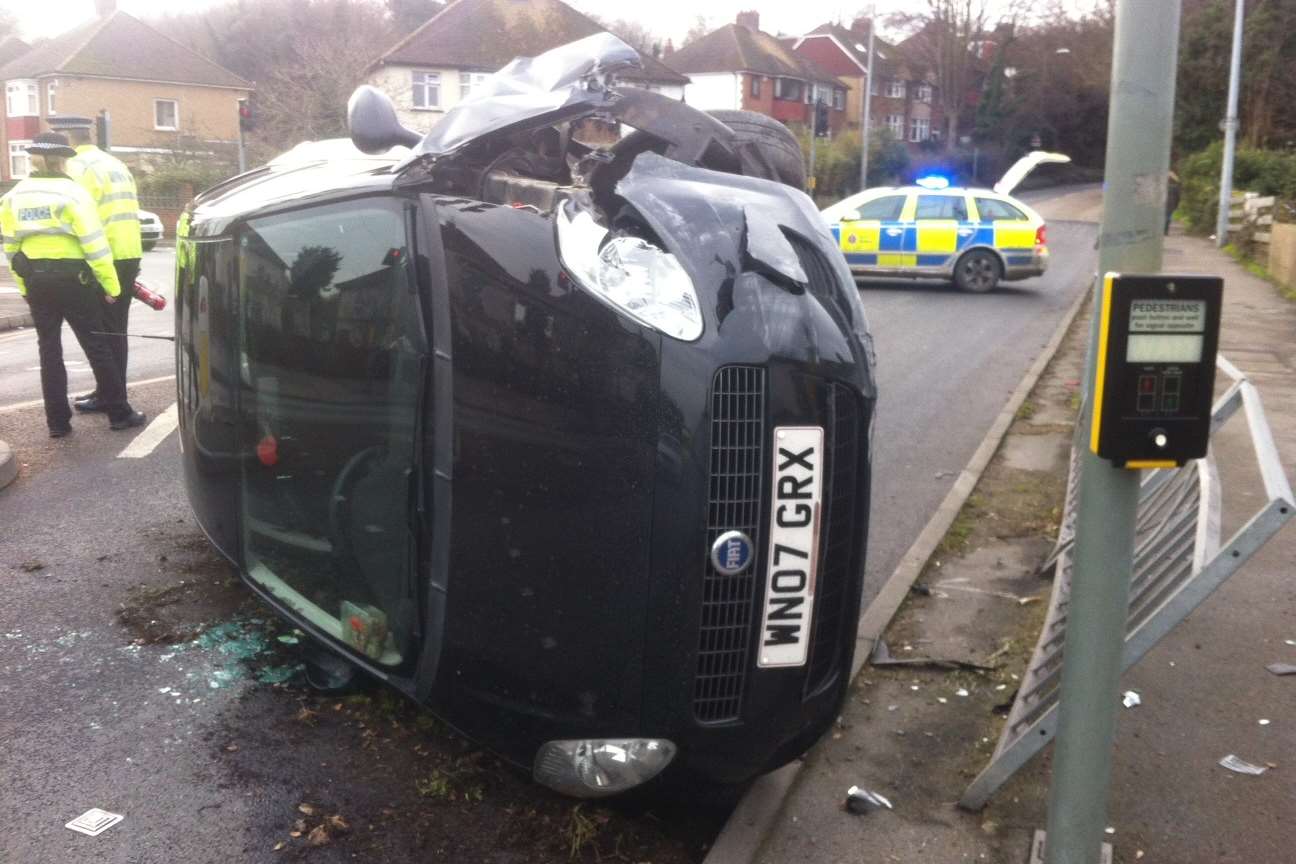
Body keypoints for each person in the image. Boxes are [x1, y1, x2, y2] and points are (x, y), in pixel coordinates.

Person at [0, 132, 146, 437]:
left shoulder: (14, 197)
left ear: (34, 161)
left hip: (36, 280)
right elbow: (95, 244)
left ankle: (57, 423)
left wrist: (24, 287)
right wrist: (111, 286)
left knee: (48, 351)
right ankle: (119, 413)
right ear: (63, 161)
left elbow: (11, 249)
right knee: (97, 344)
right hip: (74, 281)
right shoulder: (74, 194)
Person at [48, 115, 144, 413]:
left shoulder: (75, 167)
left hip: (103, 255)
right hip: (128, 251)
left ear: (65, 140)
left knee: (102, 331)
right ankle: (112, 390)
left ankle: (112, 397)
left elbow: (75, 213)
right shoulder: (115, 164)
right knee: (116, 329)